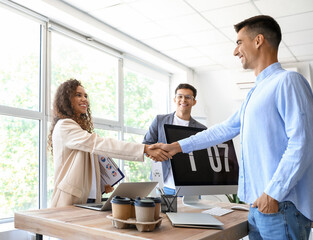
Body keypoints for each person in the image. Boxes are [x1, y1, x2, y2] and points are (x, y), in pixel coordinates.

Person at [150, 15, 313, 240]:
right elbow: (223, 130)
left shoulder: (288, 81)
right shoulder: (254, 94)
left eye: (239, 42)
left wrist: (273, 194)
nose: (235, 51)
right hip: (258, 206)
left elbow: (302, 144)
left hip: (280, 205)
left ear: (258, 41)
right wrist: (177, 146)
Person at [48, 79, 171, 207]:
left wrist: (100, 185)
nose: (84, 99)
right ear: (66, 100)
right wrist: (144, 149)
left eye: (85, 96)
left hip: (87, 199)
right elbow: (99, 144)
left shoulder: (79, 129)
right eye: (78, 95)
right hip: (69, 200)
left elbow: (85, 165)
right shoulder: (65, 126)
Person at [143, 83, 206, 195]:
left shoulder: (201, 129)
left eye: (188, 97)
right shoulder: (160, 120)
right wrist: (156, 153)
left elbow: (203, 158)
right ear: (175, 99)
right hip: (163, 184)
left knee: (191, 213)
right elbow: (146, 145)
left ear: (194, 102)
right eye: (180, 96)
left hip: (189, 187)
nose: (183, 100)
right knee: (161, 213)